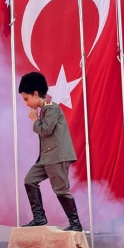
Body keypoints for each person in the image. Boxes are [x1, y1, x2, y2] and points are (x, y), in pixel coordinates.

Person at [19, 71, 82, 231]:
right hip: (47, 157)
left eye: (26, 99)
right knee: (30, 180)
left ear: (35, 94)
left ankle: (75, 224)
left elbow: (46, 130)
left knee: (61, 189)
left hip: (57, 156)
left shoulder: (51, 107)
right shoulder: (45, 110)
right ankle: (39, 217)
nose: (26, 104)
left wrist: (34, 119)